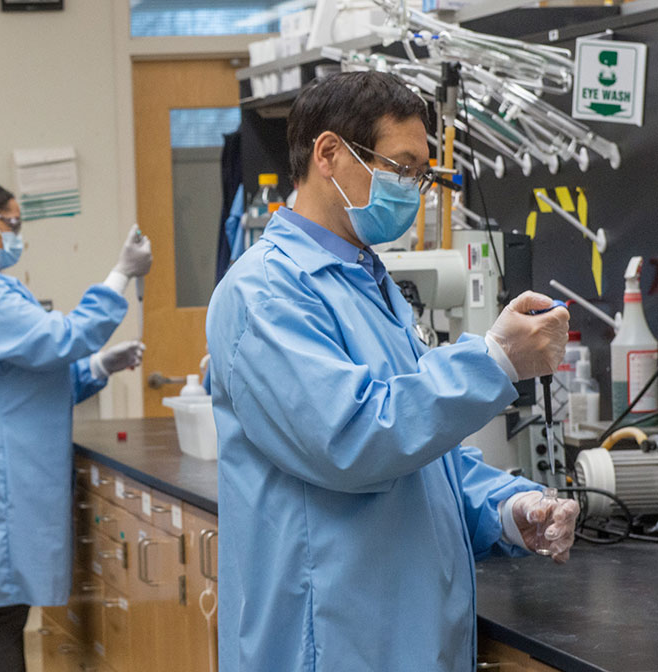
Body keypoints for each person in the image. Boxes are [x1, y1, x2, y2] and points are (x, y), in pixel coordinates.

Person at [205, 71, 581, 672]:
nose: (416, 188)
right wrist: (495, 360)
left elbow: (427, 459)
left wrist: (511, 511)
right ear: (329, 154)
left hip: (405, 633)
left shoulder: (367, 281)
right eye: (402, 167)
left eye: (421, 174)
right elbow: (352, 439)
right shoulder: (267, 291)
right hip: (328, 639)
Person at [0, 178, 151, 672]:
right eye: (12, 224)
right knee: (4, 608)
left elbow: (29, 377)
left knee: (7, 607)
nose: (17, 234)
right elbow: (62, 338)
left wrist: (100, 368)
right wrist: (119, 275)